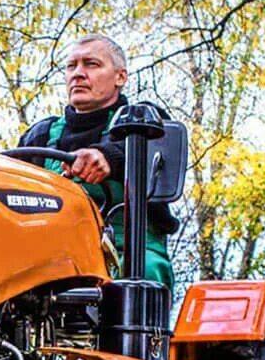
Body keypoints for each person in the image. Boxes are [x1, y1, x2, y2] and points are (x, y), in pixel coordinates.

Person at [16, 33, 176, 288]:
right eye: (71, 66)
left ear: (120, 77)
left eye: (91, 64)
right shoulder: (40, 135)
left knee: (145, 273)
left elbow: (157, 150)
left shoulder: (144, 119)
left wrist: (108, 157)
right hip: (54, 255)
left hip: (127, 251)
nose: (78, 74)